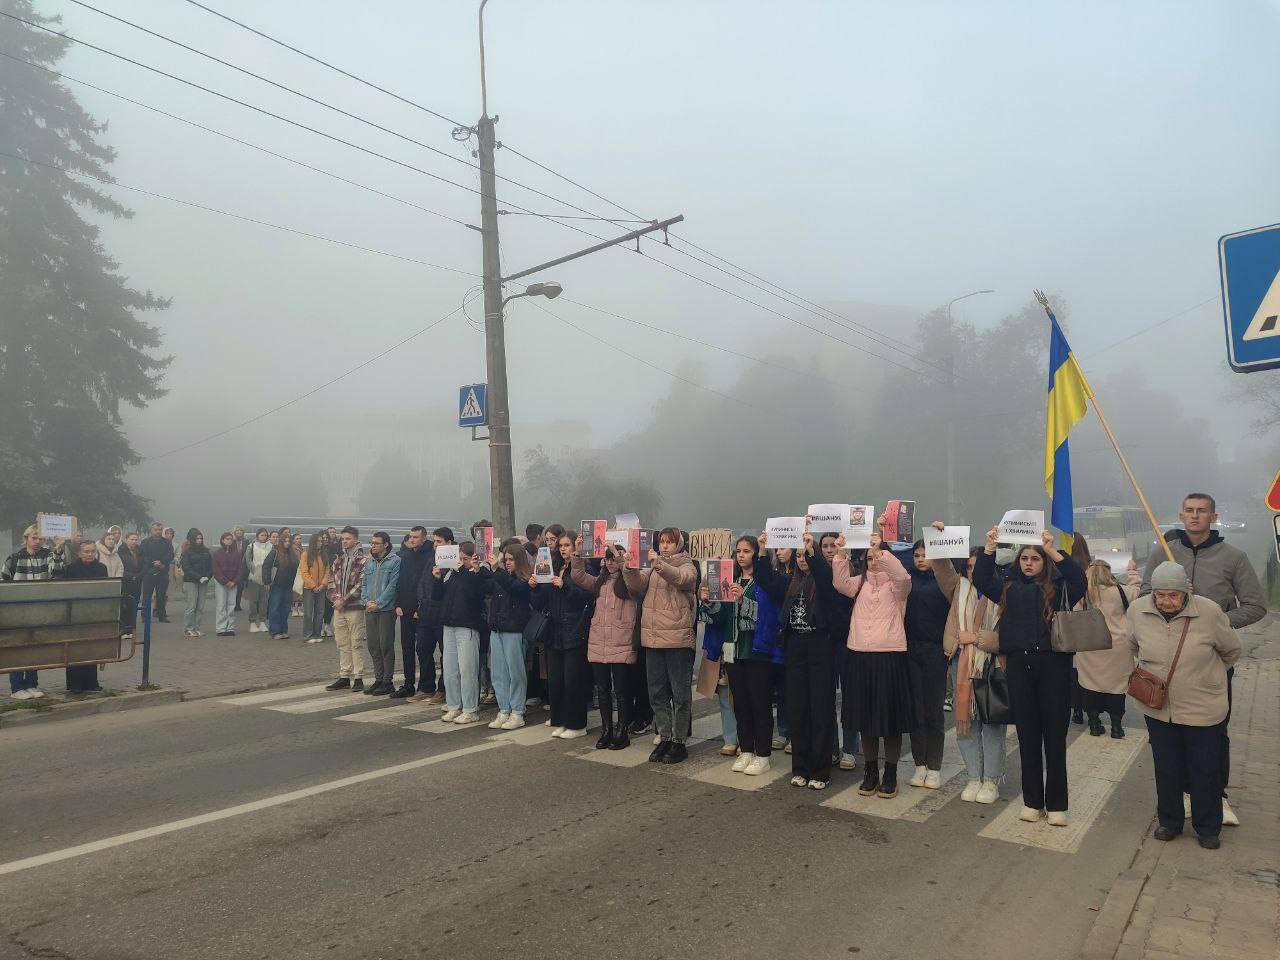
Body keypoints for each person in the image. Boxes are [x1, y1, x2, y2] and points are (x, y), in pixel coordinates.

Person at [1141, 493, 1265, 827]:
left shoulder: (1233, 557)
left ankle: (1215, 796)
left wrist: (1216, 623)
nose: (1195, 517)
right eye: (1190, 511)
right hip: (1166, 662)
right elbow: (1142, 598)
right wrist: (1168, 600)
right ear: (1181, 516)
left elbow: (1255, 605)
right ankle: (1179, 794)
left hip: (1209, 661)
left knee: (1213, 734)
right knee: (1168, 733)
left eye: (1202, 512)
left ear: (1213, 516)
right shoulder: (1163, 553)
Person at [972, 526, 1086, 826]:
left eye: (1035, 559)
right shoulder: (1007, 588)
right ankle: (1033, 802)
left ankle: (1057, 804)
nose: (1029, 563)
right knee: (1028, 738)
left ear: (1043, 562)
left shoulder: (1061, 589)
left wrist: (1051, 549)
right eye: (1025, 558)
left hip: (1054, 669)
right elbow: (982, 579)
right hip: (1020, 668)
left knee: (1054, 738)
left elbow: (1079, 579)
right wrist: (988, 548)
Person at [1128, 560, 1241, 849]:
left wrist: (1204, 677)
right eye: (1160, 595)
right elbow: (1132, 645)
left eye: (1173, 595)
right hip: (1158, 707)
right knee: (1166, 766)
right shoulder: (1138, 611)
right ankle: (1169, 821)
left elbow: (1231, 651)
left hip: (1203, 706)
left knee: (1205, 768)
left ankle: (1207, 827)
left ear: (1185, 593)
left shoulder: (1209, 611)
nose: (1166, 601)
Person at [831, 517, 914, 799]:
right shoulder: (861, 583)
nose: (873, 561)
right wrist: (841, 552)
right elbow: (840, 583)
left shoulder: (897, 587)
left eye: (877, 557)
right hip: (859, 654)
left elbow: (902, 577)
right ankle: (870, 771)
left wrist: (881, 548)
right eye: (869, 557)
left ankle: (890, 771)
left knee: (889, 718)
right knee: (865, 717)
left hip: (889, 656)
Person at [700, 534, 783, 774]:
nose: (741, 555)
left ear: (756, 554)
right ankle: (746, 750)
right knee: (741, 704)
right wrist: (708, 602)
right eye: (738, 551)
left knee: (760, 703)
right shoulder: (730, 578)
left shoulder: (763, 582)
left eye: (747, 551)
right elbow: (720, 617)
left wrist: (743, 600)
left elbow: (767, 616)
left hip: (757, 650)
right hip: (733, 649)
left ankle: (763, 755)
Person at [623, 527, 698, 764]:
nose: (664, 546)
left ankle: (679, 741)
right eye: (662, 542)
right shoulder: (652, 567)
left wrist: (658, 564)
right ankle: (664, 736)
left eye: (669, 542)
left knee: (680, 694)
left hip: (677, 639)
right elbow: (637, 584)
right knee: (656, 692)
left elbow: (682, 579)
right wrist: (629, 566)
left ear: (679, 544)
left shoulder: (687, 564)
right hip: (653, 638)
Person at [936, 546, 1004, 804]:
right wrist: (939, 540)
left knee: (992, 726)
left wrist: (977, 638)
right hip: (962, 664)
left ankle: (991, 781)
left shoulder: (1002, 593)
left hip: (993, 665)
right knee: (966, 726)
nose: (975, 571)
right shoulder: (959, 589)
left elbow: (1009, 634)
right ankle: (974, 777)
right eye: (971, 566)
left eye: (980, 566)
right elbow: (942, 569)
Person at [1072, 537, 1141, 739]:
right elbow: (1137, 592)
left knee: (1091, 685)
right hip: (1117, 647)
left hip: (1089, 646)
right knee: (1117, 688)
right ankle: (1117, 726)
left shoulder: (1083, 593)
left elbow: (1075, 614)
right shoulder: (1120, 591)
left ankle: (1094, 723)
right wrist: (1132, 572)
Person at [900, 532, 953, 790]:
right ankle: (919, 764)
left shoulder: (943, 583)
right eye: (917, 555)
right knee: (915, 710)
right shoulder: (907, 580)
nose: (921, 559)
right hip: (910, 650)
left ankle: (934, 767)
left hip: (935, 652)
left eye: (926, 555)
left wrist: (939, 536)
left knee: (933, 712)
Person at [572, 544, 637, 750]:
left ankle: (622, 730)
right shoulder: (599, 582)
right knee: (602, 690)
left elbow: (634, 580)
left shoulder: (630, 582)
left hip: (621, 641)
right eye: (607, 558)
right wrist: (577, 552)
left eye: (614, 558)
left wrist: (621, 558)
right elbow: (579, 576)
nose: (610, 562)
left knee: (622, 690)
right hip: (598, 640)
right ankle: (606, 729)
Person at [782, 534, 835, 789]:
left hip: (820, 645)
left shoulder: (825, 581)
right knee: (798, 707)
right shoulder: (792, 582)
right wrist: (760, 552)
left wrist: (811, 548)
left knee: (820, 707)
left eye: (807, 556)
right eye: (800, 556)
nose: (803, 560)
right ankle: (800, 767)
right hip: (796, 646)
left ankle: (820, 770)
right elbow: (768, 580)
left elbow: (823, 574)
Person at [531, 533, 593, 739]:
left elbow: (586, 597)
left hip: (574, 630)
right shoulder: (554, 565)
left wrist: (564, 586)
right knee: (555, 680)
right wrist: (535, 586)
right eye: (561, 545)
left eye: (567, 545)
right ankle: (560, 719)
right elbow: (540, 602)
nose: (563, 549)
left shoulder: (582, 567)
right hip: (554, 630)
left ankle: (577, 724)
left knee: (573, 680)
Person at [2, 526, 68, 699]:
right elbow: (3, 582)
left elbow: (58, 573)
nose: (38, 541)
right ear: (26, 539)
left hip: (40, 610)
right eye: (34, 538)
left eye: (41, 539)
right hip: (18, 611)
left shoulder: (48, 555)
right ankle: (16, 688)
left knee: (35, 648)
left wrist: (59, 548)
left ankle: (32, 684)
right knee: (18, 648)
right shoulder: (14, 558)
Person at [813, 531, 858, 772]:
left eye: (833, 546)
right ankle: (830, 747)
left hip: (849, 642)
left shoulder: (854, 572)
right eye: (826, 546)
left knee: (850, 697)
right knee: (825, 698)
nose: (830, 550)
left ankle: (850, 749)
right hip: (824, 641)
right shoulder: (817, 573)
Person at [431, 541, 490, 724]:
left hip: (468, 626)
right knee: (450, 669)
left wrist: (468, 570)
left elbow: (475, 595)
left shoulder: (477, 574)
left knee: (467, 669)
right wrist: (437, 578)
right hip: (449, 625)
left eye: (465, 558)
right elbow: (438, 596)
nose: (461, 561)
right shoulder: (452, 573)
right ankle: (454, 705)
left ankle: (470, 708)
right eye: (460, 558)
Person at [485, 543, 534, 729]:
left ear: (519, 560)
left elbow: (515, 588)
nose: (507, 563)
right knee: (498, 672)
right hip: (497, 628)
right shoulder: (500, 576)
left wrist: (497, 570)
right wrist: (475, 570)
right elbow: (484, 587)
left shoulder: (525, 579)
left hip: (515, 630)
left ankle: (517, 711)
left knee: (516, 673)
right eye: (505, 560)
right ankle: (504, 709)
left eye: (511, 560)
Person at [392, 526, 435, 698]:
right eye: (410, 537)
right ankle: (408, 683)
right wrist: (398, 604)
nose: (412, 540)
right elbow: (399, 582)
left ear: (424, 538)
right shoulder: (404, 555)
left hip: (422, 611)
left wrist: (420, 608)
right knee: (407, 648)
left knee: (423, 649)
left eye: (416, 537)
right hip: (405, 609)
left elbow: (427, 585)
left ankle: (426, 685)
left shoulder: (430, 556)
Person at [61, 539, 108, 693]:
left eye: (92, 551)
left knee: (91, 647)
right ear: (79, 553)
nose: (89, 554)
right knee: (75, 648)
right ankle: (75, 684)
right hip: (75, 613)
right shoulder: (71, 569)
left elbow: (104, 589)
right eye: (86, 552)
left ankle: (91, 682)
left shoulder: (101, 568)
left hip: (93, 613)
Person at [326, 527, 367, 691]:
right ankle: (344, 675)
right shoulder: (338, 560)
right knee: (342, 642)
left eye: (348, 538)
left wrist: (345, 599)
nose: (344, 541)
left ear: (356, 540)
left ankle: (358, 677)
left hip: (354, 607)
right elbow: (331, 583)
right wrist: (336, 599)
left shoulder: (364, 560)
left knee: (356, 642)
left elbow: (361, 584)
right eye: (343, 539)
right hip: (339, 608)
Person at [360, 531, 401, 696]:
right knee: (373, 645)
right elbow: (363, 584)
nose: (373, 546)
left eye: (376, 543)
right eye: (372, 543)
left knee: (385, 645)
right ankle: (378, 678)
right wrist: (366, 601)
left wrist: (379, 603)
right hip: (370, 609)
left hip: (386, 609)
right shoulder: (369, 562)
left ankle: (387, 680)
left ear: (385, 544)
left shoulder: (395, 561)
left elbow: (393, 585)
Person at [178, 529, 212, 638]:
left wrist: (208, 576)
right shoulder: (187, 552)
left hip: (204, 581)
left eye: (201, 538)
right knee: (191, 606)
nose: (199, 540)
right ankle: (188, 629)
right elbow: (186, 568)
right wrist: (199, 577)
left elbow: (211, 566)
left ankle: (197, 628)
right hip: (190, 581)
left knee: (200, 606)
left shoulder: (206, 551)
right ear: (192, 539)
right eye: (197, 538)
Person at [139, 522, 174, 623]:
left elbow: (170, 554)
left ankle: (161, 615)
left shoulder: (167, 542)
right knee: (147, 595)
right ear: (151, 530)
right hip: (149, 572)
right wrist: (153, 563)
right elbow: (143, 555)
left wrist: (162, 562)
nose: (158, 532)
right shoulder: (145, 542)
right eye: (156, 530)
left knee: (161, 595)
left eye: (160, 530)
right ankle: (144, 616)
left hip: (162, 571)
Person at [299, 533, 330, 644]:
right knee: (308, 612)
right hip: (309, 588)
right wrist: (313, 585)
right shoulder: (305, 555)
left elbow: (327, 571)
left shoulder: (324, 555)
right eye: (318, 541)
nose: (320, 543)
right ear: (313, 542)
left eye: (321, 541)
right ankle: (307, 635)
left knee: (320, 612)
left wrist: (323, 584)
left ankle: (317, 634)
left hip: (321, 588)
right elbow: (304, 572)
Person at [242, 528, 273, 634]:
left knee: (264, 601)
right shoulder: (251, 546)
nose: (263, 537)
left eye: (265, 535)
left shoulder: (271, 547)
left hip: (266, 578)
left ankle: (263, 622)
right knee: (253, 601)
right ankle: (253, 622)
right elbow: (248, 560)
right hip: (254, 577)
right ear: (257, 536)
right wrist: (255, 572)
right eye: (261, 535)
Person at [211, 532, 242, 636]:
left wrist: (234, 581)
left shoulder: (237, 554)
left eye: (230, 539)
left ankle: (230, 628)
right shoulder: (217, 554)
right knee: (221, 605)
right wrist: (225, 581)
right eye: (227, 539)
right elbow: (216, 570)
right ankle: (221, 628)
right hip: (221, 583)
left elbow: (240, 569)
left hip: (233, 582)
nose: (229, 541)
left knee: (231, 605)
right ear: (222, 540)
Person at [119, 530, 143, 639]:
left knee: (134, 605)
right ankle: (123, 630)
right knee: (125, 606)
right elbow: (120, 567)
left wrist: (139, 575)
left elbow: (145, 565)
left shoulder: (140, 551)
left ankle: (132, 629)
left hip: (137, 582)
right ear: (126, 539)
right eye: (131, 539)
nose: (134, 541)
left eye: (136, 539)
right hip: (125, 582)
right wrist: (130, 576)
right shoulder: (121, 551)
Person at [231, 526, 247, 611]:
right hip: (233, 567)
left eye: (241, 530)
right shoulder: (231, 542)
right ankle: (231, 604)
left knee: (240, 587)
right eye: (237, 530)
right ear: (234, 532)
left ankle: (238, 604)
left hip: (243, 567)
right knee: (233, 586)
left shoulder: (246, 542)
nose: (239, 532)